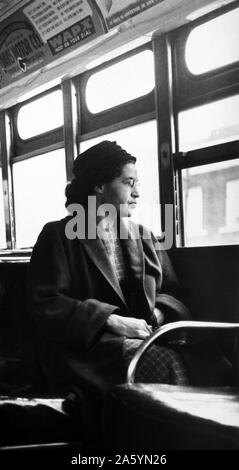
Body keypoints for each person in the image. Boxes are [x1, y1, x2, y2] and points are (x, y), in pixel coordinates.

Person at [27, 141, 190, 417]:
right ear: (99, 186)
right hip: (87, 349)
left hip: (146, 337)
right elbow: (46, 303)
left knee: (209, 357)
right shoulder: (58, 235)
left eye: (137, 183)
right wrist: (110, 320)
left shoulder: (144, 235)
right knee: (165, 363)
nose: (137, 193)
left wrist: (157, 315)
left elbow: (170, 292)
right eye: (128, 183)